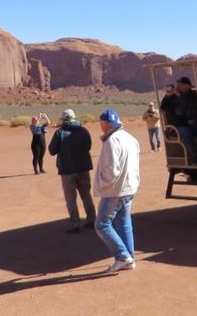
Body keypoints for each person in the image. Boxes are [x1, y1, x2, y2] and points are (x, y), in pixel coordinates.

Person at [93, 109, 141, 272]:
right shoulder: (130, 138)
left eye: (101, 123)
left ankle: (123, 257)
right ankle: (130, 258)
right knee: (124, 223)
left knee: (102, 224)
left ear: (106, 123)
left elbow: (111, 169)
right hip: (129, 187)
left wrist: (102, 184)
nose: (100, 126)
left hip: (115, 190)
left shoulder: (112, 140)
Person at [48, 109, 96, 233]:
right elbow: (88, 146)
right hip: (83, 168)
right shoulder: (84, 131)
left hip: (67, 170)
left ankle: (75, 224)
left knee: (70, 199)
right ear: (74, 118)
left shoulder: (60, 132)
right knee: (86, 195)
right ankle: (92, 220)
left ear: (63, 119)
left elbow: (52, 151)